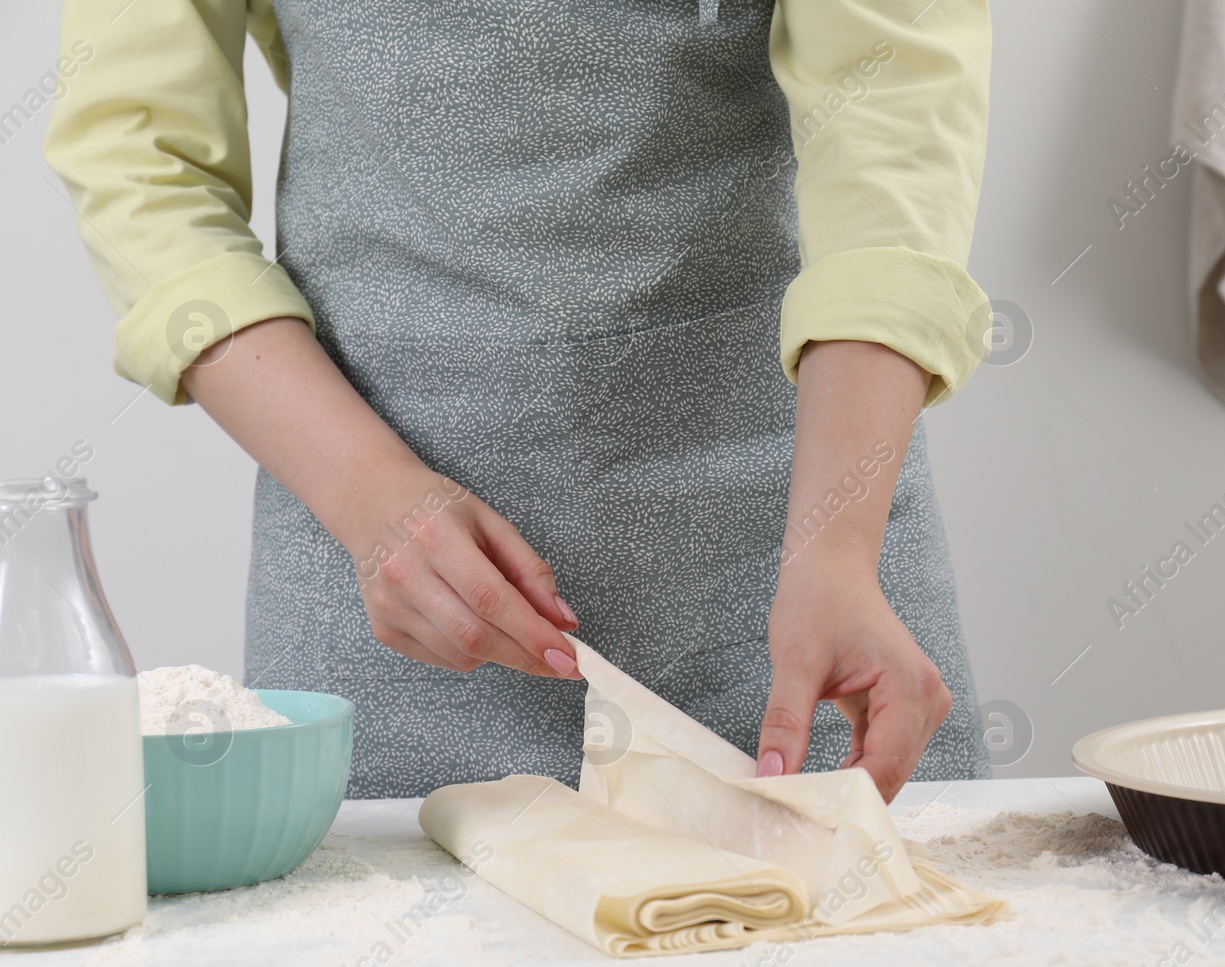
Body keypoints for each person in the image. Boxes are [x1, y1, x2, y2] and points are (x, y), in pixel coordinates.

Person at [47, 0, 993, 801]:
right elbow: (142, 161)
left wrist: (836, 543)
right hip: (386, 597)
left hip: (811, 576)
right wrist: (372, 496)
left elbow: (892, 126)